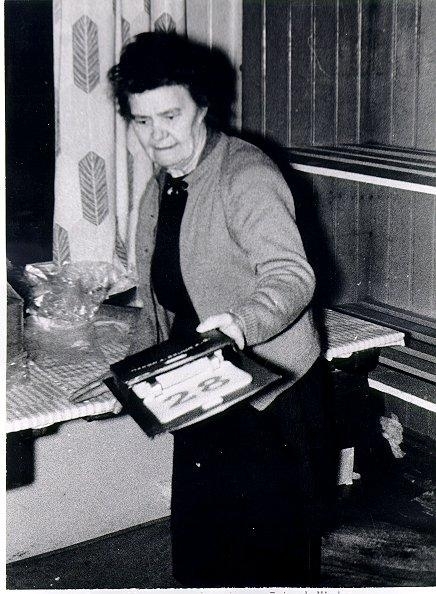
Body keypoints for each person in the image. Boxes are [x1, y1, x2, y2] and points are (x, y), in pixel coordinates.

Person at [108, 32, 334, 588]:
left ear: (203, 107)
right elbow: (163, 297)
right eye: (142, 121)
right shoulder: (164, 187)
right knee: (203, 552)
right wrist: (129, 378)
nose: (157, 135)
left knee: (270, 563)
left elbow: (292, 275)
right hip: (206, 384)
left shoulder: (246, 175)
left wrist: (240, 322)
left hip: (269, 395)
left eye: (170, 115)